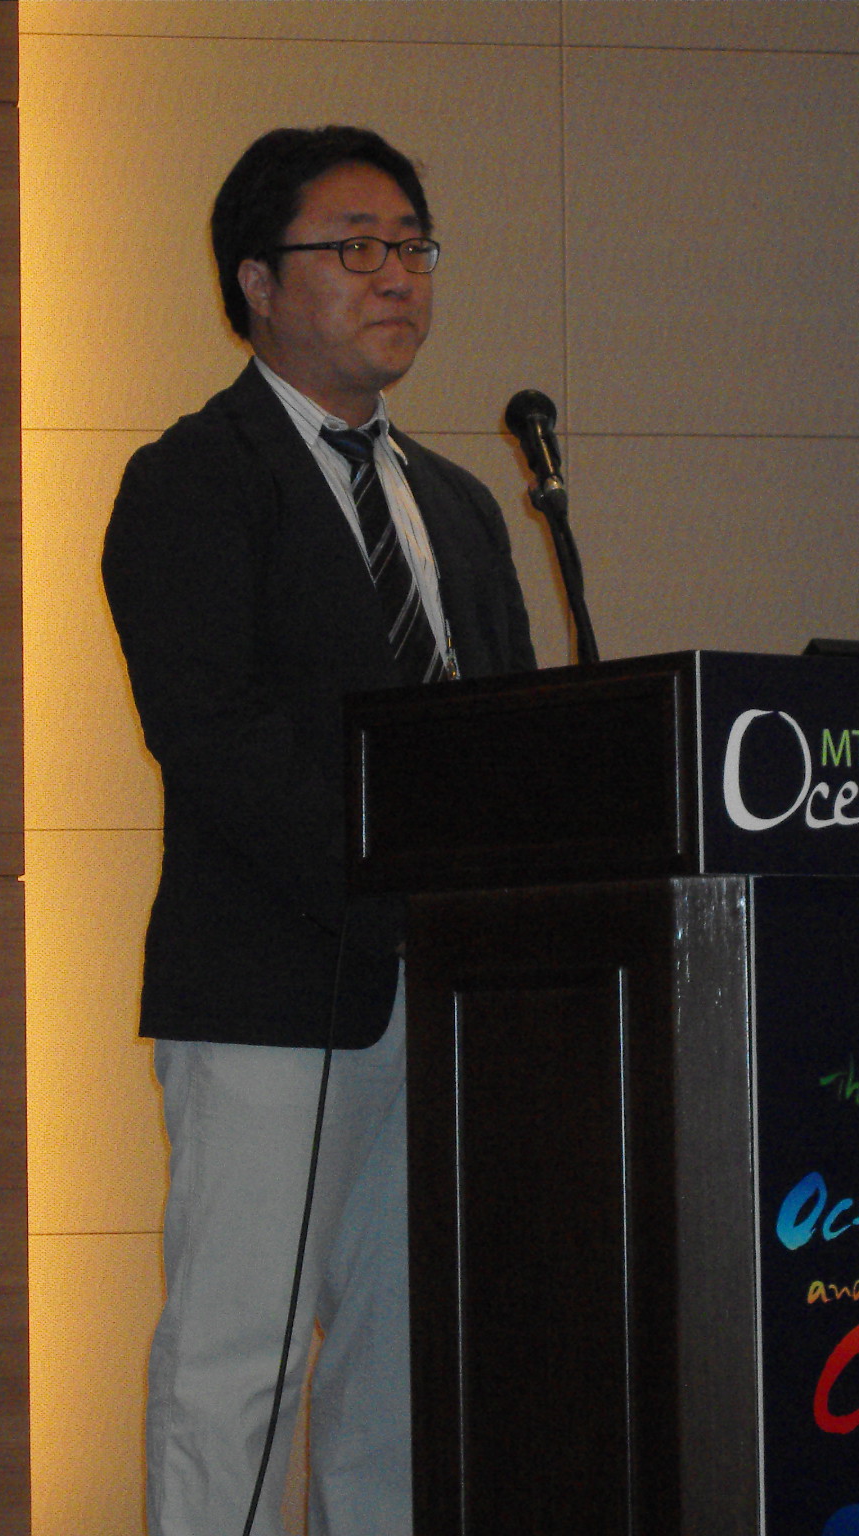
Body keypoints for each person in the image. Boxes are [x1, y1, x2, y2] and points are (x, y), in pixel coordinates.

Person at [101, 126, 535, 1536]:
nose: (396, 275)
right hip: (277, 985)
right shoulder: (194, 479)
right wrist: (400, 871)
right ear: (255, 281)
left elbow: (512, 731)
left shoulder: (460, 505)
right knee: (242, 1357)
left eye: (412, 246)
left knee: (409, 1362)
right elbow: (215, 735)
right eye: (355, 247)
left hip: (451, 994)